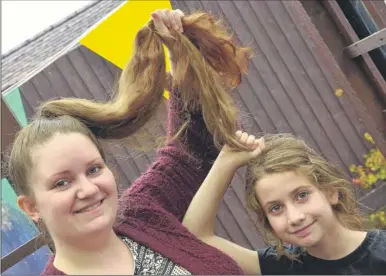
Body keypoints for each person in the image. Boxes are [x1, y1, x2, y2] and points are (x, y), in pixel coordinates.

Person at [7, 9, 254, 275]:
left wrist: (177, 50)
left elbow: (195, 145)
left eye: (93, 169)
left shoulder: (143, 215)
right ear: (31, 207)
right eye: (61, 182)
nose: (88, 189)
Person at [182, 131, 386, 275]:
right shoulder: (281, 268)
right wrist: (225, 162)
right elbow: (195, 237)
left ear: (331, 191)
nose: (295, 217)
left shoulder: (381, 253)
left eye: (302, 195)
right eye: (276, 208)